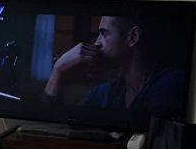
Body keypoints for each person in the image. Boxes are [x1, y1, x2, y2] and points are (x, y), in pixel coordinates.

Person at [41, 16, 187, 116]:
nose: (97, 43)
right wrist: (58, 72)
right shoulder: (105, 93)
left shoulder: (170, 84)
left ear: (133, 37)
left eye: (104, 34)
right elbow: (57, 127)